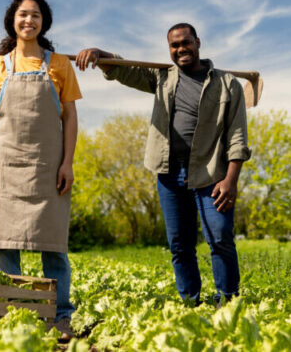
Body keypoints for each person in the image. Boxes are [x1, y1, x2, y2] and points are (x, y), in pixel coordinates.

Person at [75, 23, 250, 306]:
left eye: (186, 43)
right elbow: (125, 69)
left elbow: (237, 135)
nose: (181, 49)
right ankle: (190, 303)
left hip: (211, 173)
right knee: (180, 244)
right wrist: (99, 53)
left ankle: (228, 301)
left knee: (220, 237)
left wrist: (231, 180)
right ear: (169, 49)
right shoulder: (162, 78)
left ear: (198, 43)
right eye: (174, 45)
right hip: (169, 172)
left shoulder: (227, 83)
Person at [0, 0, 80, 339]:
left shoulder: (59, 65)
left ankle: (59, 314)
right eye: (23, 14)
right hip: (4, 163)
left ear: (43, 22)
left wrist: (67, 163)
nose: (28, 20)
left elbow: (70, 117)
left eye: (35, 15)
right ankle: (8, 312)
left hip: (48, 165)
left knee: (52, 242)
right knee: (3, 242)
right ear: (12, 20)